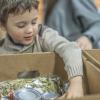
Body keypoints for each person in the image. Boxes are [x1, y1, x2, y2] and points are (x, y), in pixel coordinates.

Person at [0, 0, 83, 99]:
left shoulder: (42, 35)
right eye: (21, 25)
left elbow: (71, 49)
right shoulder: (2, 48)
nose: (30, 30)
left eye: (34, 22)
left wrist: (76, 84)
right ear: (3, 25)